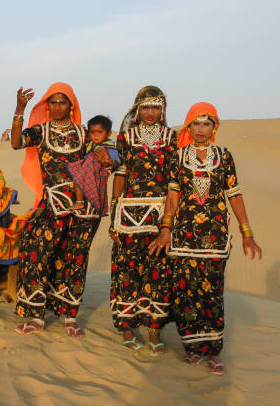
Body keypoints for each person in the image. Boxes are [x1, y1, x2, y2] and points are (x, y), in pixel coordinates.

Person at [149, 102, 262, 375]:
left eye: (206, 123)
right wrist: (166, 228)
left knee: (212, 292)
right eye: (196, 124)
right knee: (186, 292)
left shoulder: (224, 156)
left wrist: (247, 233)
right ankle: (193, 348)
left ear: (214, 127)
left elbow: (234, 195)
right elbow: (173, 195)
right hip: (184, 236)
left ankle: (213, 351)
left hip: (215, 236)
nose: (201, 129)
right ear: (189, 126)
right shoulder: (179, 156)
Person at [11, 82, 107, 337]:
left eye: (62, 102)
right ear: (46, 105)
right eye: (52, 102)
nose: (56, 107)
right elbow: (16, 142)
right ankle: (36, 317)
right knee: (34, 250)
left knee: (74, 260)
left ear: (71, 106)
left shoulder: (84, 133)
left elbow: (104, 153)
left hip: (82, 206)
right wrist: (20, 109)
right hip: (51, 203)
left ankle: (70, 318)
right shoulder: (41, 131)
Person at [108, 86, 176, 355]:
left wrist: (170, 222)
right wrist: (114, 214)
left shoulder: (173, 137)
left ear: (163, 110)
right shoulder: (126, 137)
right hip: (128, 216)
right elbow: (121, 175)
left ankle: (155, 329)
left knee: (158, 273)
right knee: (127, 272)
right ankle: (127, 327)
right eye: (146, 107)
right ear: (137, 109)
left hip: (160, 216)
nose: (151, 113)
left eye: (156, 107)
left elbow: (174, 182)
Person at [67, 115, 120, 214]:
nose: (95, 136)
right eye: (92, 132)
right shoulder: (90, 145)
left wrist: (109, 162)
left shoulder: (109, 147)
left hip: (97, 174)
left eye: (100, 132)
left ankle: (79, 202)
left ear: (109, 133)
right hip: (87, 172)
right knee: (77, 179)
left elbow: (116, 161)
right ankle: (80, 201)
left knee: (78, 178)